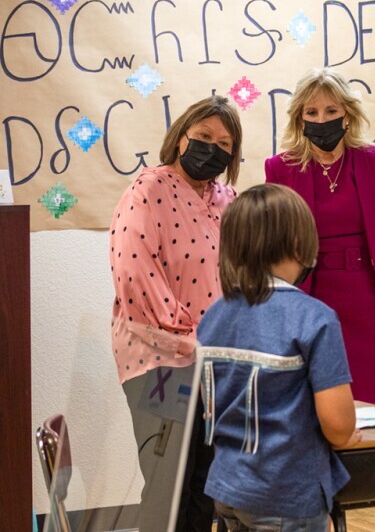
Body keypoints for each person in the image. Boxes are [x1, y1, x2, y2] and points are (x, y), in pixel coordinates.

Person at [264, 68, 375, 530]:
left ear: (347, 115)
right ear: (299, 117)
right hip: (313, 304)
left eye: (331, 111)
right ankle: (328, 522)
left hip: (374, 304)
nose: (322, 118)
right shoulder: (279, 168)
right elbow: (277, 244)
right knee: (317, 421)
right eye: (311, 112)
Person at [109, 95, 242, 531]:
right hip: (160, 360)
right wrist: (187, 337)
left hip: (217, 365)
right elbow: (134, 271)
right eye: (203, 136)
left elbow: (243, 272)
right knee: (168, 487)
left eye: (224, 142)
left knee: (207, 487)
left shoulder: (228, 200)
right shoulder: (149, 188)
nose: (212, 148)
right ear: (181, 136)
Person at [197, 183, 359, 531]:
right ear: (300, 245)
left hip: (226, 487)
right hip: (285, 494)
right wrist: (347, 436)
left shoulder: (212, 316)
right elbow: (338, 425)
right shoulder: (314, 317)